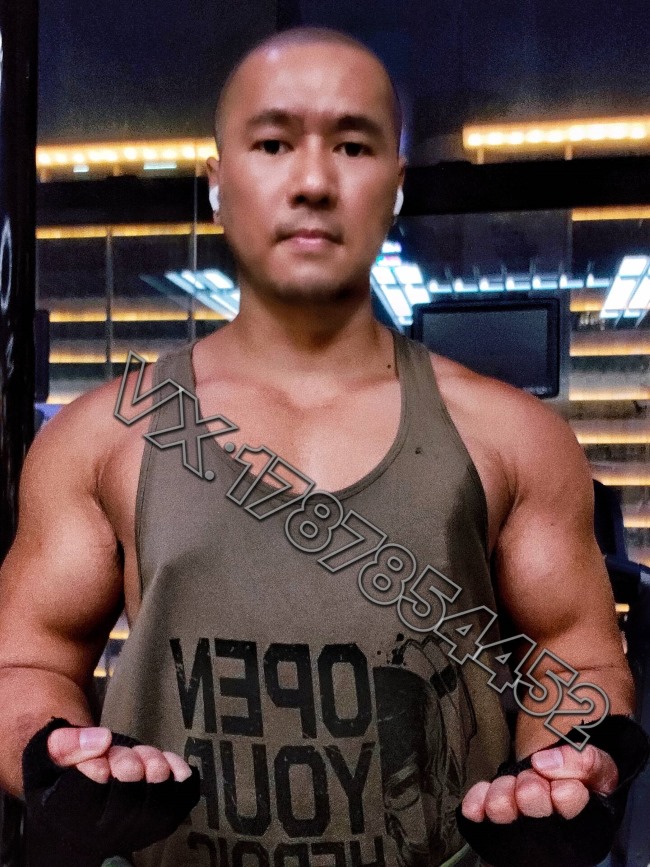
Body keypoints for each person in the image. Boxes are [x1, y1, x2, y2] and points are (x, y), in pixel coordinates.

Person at [0, 24, 644, 867]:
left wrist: (563, 769)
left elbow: (575, 652)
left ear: (396, 187)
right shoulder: (102, 436)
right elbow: (27, 659)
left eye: (352, 145)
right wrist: (51, 754)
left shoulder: (514, 435)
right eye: (273, 144)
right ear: (218, 184)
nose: (311, 182)